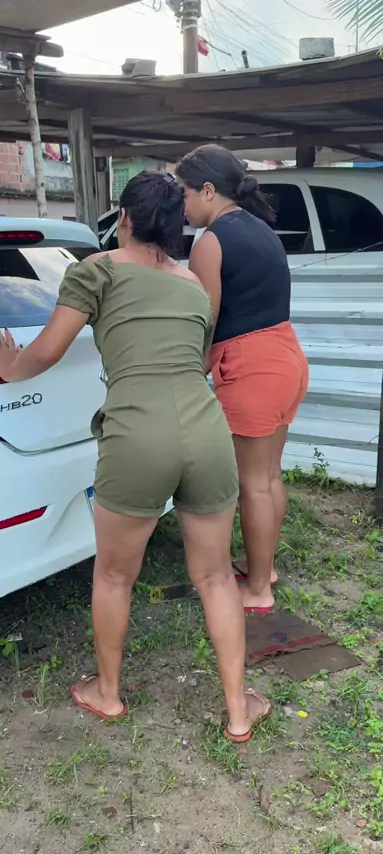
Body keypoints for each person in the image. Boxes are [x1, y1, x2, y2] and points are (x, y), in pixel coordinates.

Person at [0, 171, 270, 743]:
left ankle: (108, 693)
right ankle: (239, 711)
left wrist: (8, 367)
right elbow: (193, 358)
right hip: (206, 429)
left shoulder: (96, 270)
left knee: (115, 574)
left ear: (124, 218)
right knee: (216, 576)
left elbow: (45, 353)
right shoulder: (193, 284)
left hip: (138, 434)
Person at [176, 145, 309, 615]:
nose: (181, 204)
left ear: (208, 190)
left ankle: (257, 590)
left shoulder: (210, 242)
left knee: (252, 483)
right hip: (286, 357)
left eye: (184, 192)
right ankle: (263, 569)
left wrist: (187, 372)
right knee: (268, 476)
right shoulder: (261, 230)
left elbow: (205, 321)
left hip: (252, 367)